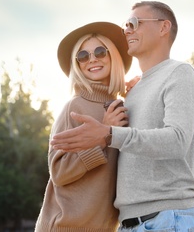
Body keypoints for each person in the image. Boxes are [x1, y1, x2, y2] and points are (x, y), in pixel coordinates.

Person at [50, 1, 194, 231]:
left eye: (134, 23)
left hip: (168, 219)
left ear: (163, 28)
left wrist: (110, 134)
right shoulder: (129, 95)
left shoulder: (179, 73)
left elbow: (178, 141)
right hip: (129, 224)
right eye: (126, 25)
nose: (127, 30)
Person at [34, 21, 132, 231]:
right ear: (77, 64)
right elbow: (58, 172)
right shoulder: (74, 108)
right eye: (83, 56)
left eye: (99, 51)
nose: (92, 59)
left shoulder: (122, 108)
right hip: (65, 227)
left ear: (112, 55)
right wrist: (102, 136)